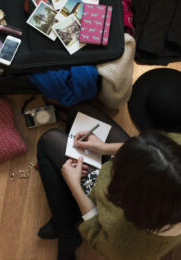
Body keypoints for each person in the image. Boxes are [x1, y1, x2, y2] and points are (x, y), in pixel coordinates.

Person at [36, 68, 181, 260]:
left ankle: (67, 234)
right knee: (80, 113)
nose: (112, 167)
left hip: (108, 212)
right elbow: (145, 154)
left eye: (116, 170)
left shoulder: (126, 248)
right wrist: (103, 148)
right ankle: (66, 214)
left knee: (49, 141)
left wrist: (74, 187)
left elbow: (96, 232)